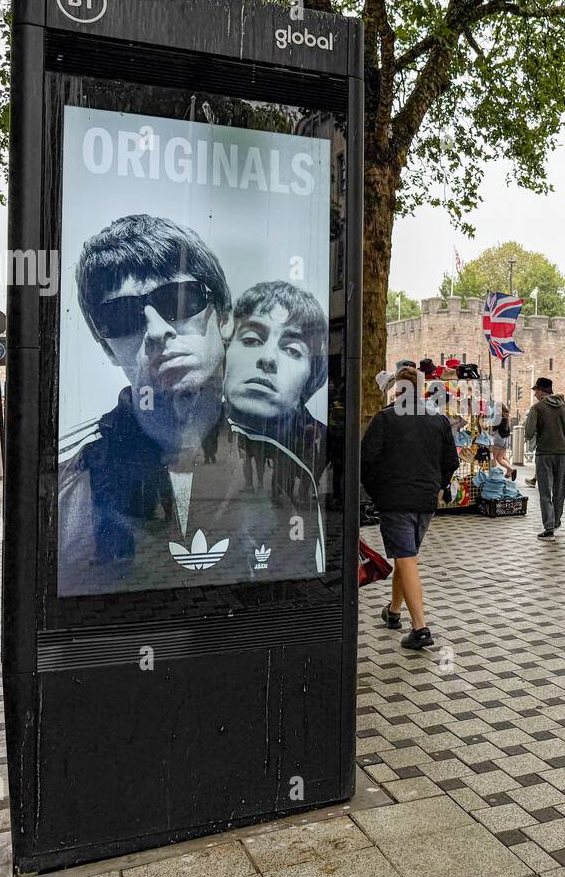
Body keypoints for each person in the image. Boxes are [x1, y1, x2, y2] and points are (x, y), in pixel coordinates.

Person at [58, 214, 324, 596]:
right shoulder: (69, 479)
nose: (157, 331)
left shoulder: (286, 473)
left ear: (225, 318)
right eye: (121, 316)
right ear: (106, 347)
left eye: (179, 300)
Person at [360, 368, 458, 651]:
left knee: (406, 558)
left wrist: (377, 493)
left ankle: (420, 628)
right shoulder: (438, 420)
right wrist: (438, 487)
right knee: (407, 558)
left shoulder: (385, 419)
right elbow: (451, 461)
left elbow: (366, 461)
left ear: (398, 389)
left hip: (395, 500)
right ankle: (393, 612)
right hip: (426, 502)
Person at [221, 279, 329, 483]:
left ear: (311, 378)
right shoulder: (188, 434)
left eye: (292, 350)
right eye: (251, 340)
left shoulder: (321, 436)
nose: (268, 358)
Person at [524, 376, 565, 540]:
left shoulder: (537, 408)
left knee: (545, 492)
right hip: (561, 453)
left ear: (541, 391)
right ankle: (556, 521)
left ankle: (548, 529)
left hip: (544, 453)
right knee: (559, 491)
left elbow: (528, 432)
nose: (535, 394)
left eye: (535, 391)